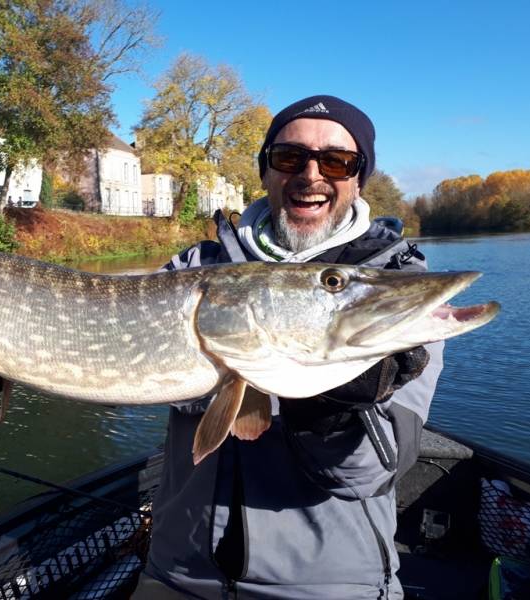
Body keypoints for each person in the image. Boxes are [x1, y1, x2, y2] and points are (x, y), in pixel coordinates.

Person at [130, 95, 443, 600]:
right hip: (176, 573)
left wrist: (335, 407)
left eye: (337, 161)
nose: (311, 174)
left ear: (359, 178)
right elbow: (130, 367)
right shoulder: (195, 267)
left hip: (328, 587)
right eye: (289, 157)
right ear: (267, 172)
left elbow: (369, 473)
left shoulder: (395, 289)